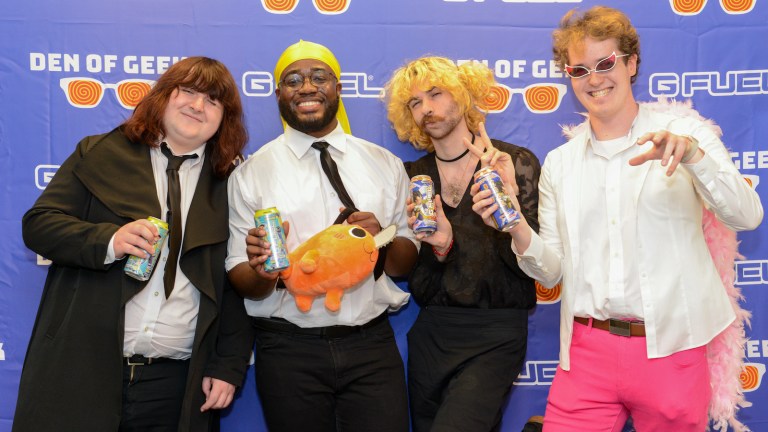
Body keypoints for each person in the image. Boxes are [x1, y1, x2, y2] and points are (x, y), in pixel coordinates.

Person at [470, 6, 763, 432]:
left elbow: (747, 215)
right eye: (579, 69)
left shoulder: (687, 134)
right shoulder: (560, 163)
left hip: (672, 347)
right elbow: (550, 271)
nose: (594, 78)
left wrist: (695, 158)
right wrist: (514, 223)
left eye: (606, 63)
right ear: (568, 76)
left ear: (631, 63)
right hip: (586, 353)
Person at [14, 57, 254, 432]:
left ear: (225, 118)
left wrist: (228, 365)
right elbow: (39, 226)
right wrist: (109, 240)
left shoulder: (231, 182)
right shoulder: (99, 152)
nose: (197, 106)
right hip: (82, 369)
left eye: (212, 101)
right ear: (162, 97)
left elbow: (234, 282)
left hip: (175, 384)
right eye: (187, 92)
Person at [226, 40, 418, 432]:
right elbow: (241, 280)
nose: (307, 87)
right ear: (278, 93)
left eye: (319, 77)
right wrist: (262, 268)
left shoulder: (385, 164)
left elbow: (405, 263)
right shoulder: (251, 174)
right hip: (288, 349)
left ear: (339, 88)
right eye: (293, 80)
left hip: (371, 346)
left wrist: (382, 239)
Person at [384, 56, 541, 432]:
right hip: (432, 333)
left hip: (497, 330)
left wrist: (507, 211)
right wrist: (442, 247)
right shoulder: (412, 177)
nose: (426, 109)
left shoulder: (513, 163)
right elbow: (415, 276)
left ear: (462, 95)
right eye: (415, 103)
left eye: (435, 94)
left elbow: (536, 263)